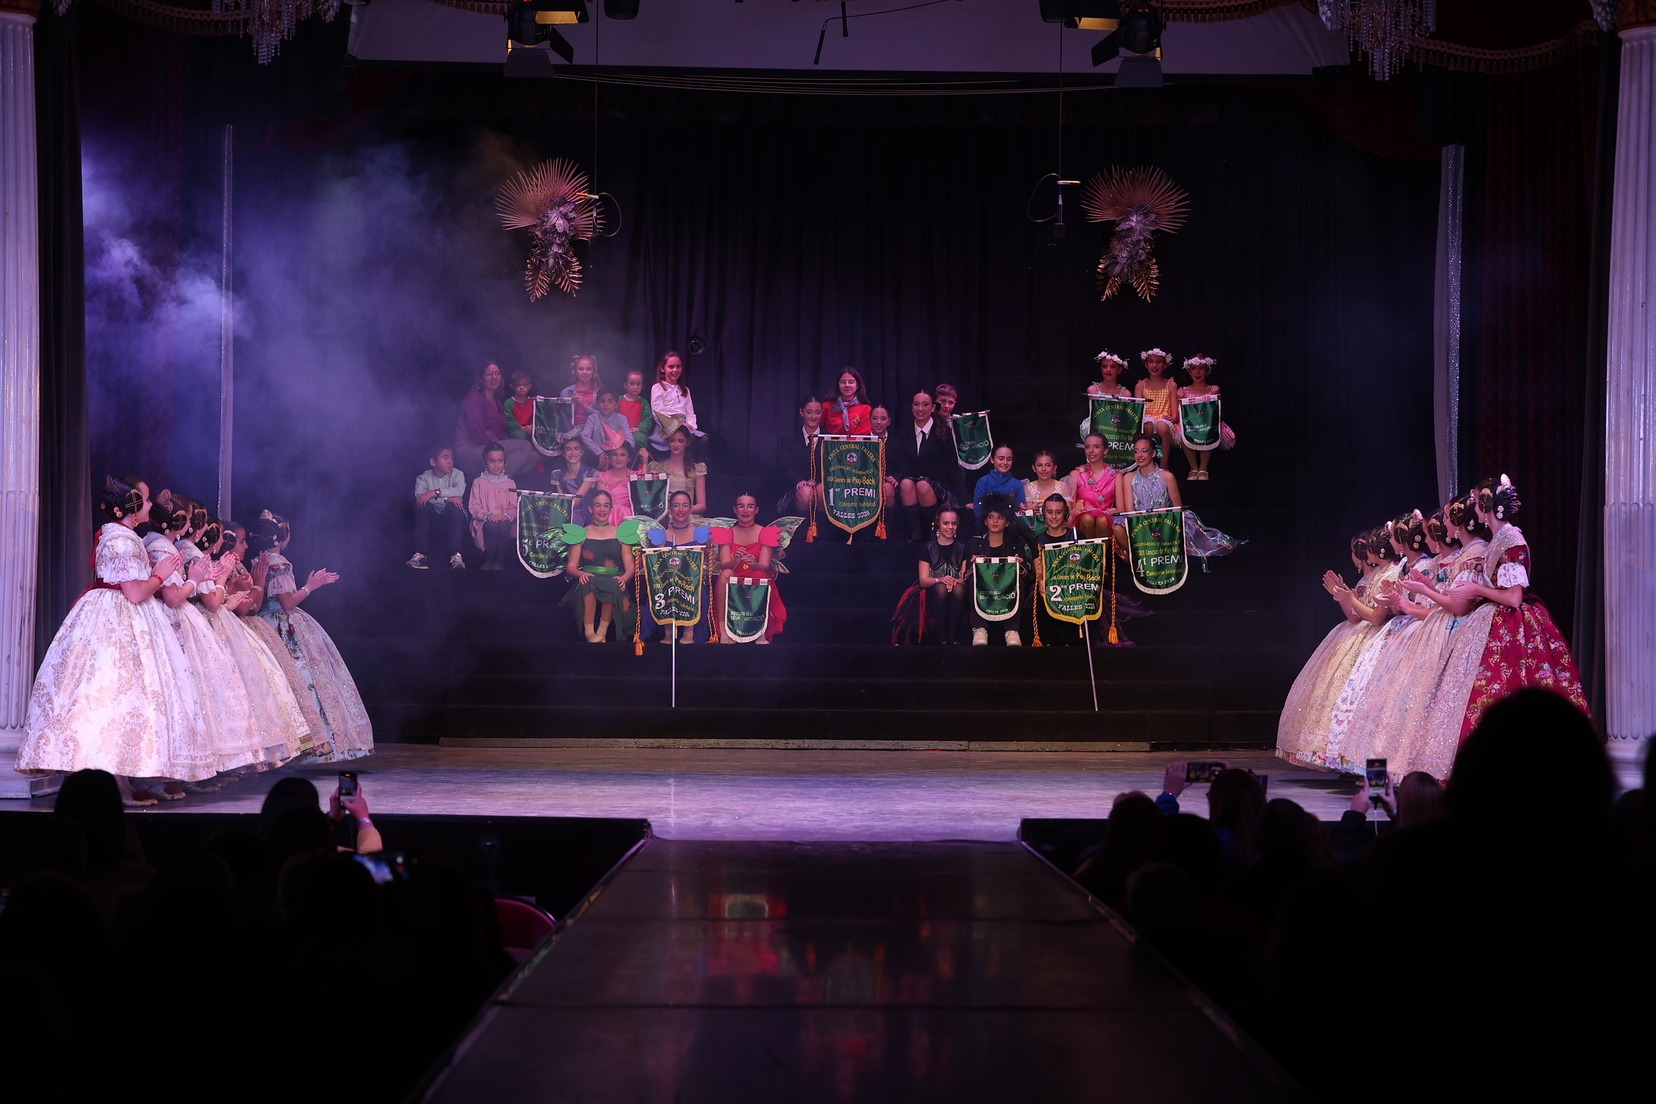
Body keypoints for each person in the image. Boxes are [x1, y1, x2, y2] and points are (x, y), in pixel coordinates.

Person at [16, 478, 211, 805]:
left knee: (132, 696)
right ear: (131, 506)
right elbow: (134, 593)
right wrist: (160, 575)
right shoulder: (120, 540)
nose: (150, 505)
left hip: (123, 614)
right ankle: (115, 780)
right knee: (117, 693)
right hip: (117, 617)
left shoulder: (124, 536)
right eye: (145, 500)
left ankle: (132, 774)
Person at [250, 513, 374, 762]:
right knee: (302, 679)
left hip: (262, 622)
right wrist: (310, 586)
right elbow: (287, 603)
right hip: (282, 625)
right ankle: (311, 743)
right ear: (282, 538)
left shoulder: (257, 559)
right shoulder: (279, 563)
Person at [1113, 433, 1242, 566]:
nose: (1139, 455)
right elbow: (1130, 510)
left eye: (1144, 451)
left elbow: (1177, 508)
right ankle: (1136, 556)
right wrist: (1143, 521)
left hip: (1163, 520)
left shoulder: (1167, 476)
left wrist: (1159, 518)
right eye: (1136, 451)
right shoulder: (1128, 477)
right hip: (1139, 521)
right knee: (1117, 528)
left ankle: (1155, 554)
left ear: (1153, 453)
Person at [561, 489, 637, 643]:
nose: (602, 509)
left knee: (612, 583)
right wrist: (580, 574)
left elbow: (630, 565)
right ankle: (589, 632)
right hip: (589, 579)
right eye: (597, 505)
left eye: (606, 505)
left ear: (611, 508)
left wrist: (624, 578)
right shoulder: (580, 534)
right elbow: (571, 567)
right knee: (589, 583)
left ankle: (602, 632)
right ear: (590, 508)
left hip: (612, 579)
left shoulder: (621, 534)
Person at [712, 493, 787, 643]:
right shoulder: (726, 533)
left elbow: (764, 566)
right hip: (735, 576)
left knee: (759, 574)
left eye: (750, 506)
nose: (745, 510)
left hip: (756, 575)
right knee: (725, 573)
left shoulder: (766, 532)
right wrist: (736, 560)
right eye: (741, 506)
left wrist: (753, 563)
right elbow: (724, 564)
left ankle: (761, 632)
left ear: (756, 510)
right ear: (735, 509)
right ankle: (724, 632)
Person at [887, 390, 959, 542]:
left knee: (922, 485)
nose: (920, 409)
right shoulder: (904, 430)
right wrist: (897, 477)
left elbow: (951, 465)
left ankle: (934, 530)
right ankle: (916, 532)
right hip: (911, 479)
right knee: (906, 484)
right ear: (912, 407)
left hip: (937, 482)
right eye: (916, 404)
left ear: (933, 408)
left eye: (925, 405)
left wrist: (964, 498)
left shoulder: (943, 431)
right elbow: (902, 462)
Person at [644, 490, 713, 644]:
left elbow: (708, 562)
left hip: (693, 583)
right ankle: (668, 632)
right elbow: (657, 566)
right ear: (669, 509)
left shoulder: (699, 534)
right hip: (667, 582)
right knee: (665, 586)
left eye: (685, 505)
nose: (681, 510)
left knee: (693, 588)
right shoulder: (662, 535)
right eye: (676, 505)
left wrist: (704, 547)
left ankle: (689, 632)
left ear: (690, 509)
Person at [893, 504, 967, 645]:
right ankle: (941, 635)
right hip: (933, 592)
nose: (950, 527)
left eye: (954, 523)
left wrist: (952, 581)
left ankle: (952, 635)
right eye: (946, 523)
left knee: (959, 588)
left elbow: (964, 579)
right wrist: (941, 579)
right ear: (938, 523)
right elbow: (923, 580)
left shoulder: (963, 548)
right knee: (941, 588)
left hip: (957, 591)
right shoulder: (927, 548)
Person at [963, 495, 1028, 646]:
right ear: (985, 521)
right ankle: (979, 629)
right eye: (991, 517)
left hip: (1007, 588)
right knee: (974, 581)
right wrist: (973, 567)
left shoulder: (1016, 544)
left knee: (1018, 581)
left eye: (1000, 517)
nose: (995, 521)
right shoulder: (975, 544)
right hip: (984, 589)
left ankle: (1012, 630)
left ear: (1007, 522)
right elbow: (965, 575)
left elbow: (1026, 572)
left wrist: (1019, 566)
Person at [455, 362, 538, 480]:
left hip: (490, 447)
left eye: (497, 373)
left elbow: (501, 433)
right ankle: (496, 483)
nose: (494, 377)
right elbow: (477, 433)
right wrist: (500, 445)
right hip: (471, 449)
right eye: (489, 374)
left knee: (533, 457)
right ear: (481, 378)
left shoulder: (498, 403)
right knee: (524, 446)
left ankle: (491, 479)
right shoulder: (474, 399)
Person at [1175, 355, 1235, 481]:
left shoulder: (1213, 389)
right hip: (1191, 425)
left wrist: (1216, 395)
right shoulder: (1184, 391)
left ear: (1207, 371)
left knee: (1207, 430)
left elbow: (1217, 413)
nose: (1197, 372)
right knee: (1183, 430)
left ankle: (1203, 467)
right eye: (1194, 368)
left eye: (1201, 368)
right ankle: (1193, 468)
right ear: (1189, 371)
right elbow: (1181, 414)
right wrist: (1180, 398)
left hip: (1208, 424)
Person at [408, 445, 467, 570]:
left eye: (451, 457)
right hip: (433, 516)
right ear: (433, 462)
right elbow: (421, 497)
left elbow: (458, 491)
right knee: (422, 506)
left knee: (454, 507)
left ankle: (456, 555)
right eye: (445, 458)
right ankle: (421, 555)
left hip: (453, 515)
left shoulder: (458, 474)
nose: (450, 461)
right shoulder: (423, 478)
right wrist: (447, 498)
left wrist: (434, 493)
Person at [469, 442, 519, 571]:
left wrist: (505, 516)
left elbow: (514, 506)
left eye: (499, 461)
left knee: (502, 526)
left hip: (504, 519)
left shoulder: (510, 483)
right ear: (485, 462)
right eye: (492, 461)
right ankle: (489, 559)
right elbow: (474, 505)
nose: (496, 465)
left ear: (504, 463)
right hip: (484, 519)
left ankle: (499, 561)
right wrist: (488, 515)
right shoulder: (478, 482)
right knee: (491, 525)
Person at [774, 395, 824, 515]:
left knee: (822, 491)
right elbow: (785, 467)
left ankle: (822, 526)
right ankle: (803, 526)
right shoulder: (788, 440)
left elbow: (834, 468)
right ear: (802, 413)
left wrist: (819, 482)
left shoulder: (830, 439)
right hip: (796, 486)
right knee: (807, 493)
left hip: (821, 484)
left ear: (822, 413)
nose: (813, 416)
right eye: (809, 412)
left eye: (817, 412)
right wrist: (799, 481)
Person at [647, 425, 709, 517]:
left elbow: (702, 505)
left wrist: (682, 511)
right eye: (672, 440)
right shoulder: (657, 467)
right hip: (664, 517)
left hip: (688, 517)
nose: (676, 445)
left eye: (680, 441)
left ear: (687, 442)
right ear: (667, 442)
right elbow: (650, 498)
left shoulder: (697, 469)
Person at [649, 350, 704, 449]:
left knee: (701, 438)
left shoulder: (685, 390)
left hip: (684, 426)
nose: (675, 370)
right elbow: (658, 413)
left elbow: (690, 413)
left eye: (678, 366)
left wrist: (691, 425)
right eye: (671, 367)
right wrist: (678, 425)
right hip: (666, 426)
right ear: (662, 368)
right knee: (680, 439)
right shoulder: (658, 388)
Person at [1069, 433, 1117, 541]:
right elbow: (1071, 508)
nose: (1091, 451)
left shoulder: (1115, 475)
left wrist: (1110, 512)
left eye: (1096, 447)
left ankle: (1103, 551)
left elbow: (1121, 509)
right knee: (1087, 518)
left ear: (1105, 450)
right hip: (1083, 519)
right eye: (1087, 447)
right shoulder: (1076, 474)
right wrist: (1081, 509)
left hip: (1106, 520)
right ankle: (1087, 551)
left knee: (1102, 520)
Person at [1135, 348, 1179, 463]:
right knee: (1148, 424)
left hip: (1164, 423)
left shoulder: (1171, 385)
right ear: (1146, 364)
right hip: (1147, 421)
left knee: (1161, 425)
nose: (1154, 365)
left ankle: (1164, 464)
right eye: (1151, 361)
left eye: (1159, 362)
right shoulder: (1140, 386)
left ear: (1165, 365)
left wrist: (1172, 418)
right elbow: (1138, 413)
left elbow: (1175, 416)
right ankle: (1148, 463)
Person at [548, 437, 598, 523]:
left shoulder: (590, 473)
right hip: (564, 514)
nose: (572, 453)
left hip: (586, 517)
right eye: (568, 449)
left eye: (576, 448)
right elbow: (561, 499)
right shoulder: (557, 474)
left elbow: (577, 500)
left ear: (582, 452)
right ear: (563, 453)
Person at [971, 444, 1026, 524]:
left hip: (1010, 527)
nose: (1005, 462)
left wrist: (1005, 523)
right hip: (986, 528)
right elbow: (978, 511)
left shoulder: (1017, 484)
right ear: (992, 459)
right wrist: (992, 523)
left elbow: (1020, 511)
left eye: (1009, 459)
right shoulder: (983, 482)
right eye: (1001, 459)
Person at [579, 388, 633, 462]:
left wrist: (615, 453)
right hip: (597, 456)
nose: (606, 404)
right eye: (602, 401)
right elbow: (585, 436)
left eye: (610, 401)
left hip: (617, 457)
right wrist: (599, 452)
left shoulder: (621, 419)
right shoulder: (592, 418)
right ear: (597, 404)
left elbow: (630, 440)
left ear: (616, 405)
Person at [594, 431, 638, 519]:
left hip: (632, 519)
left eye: (622, 455)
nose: (618, 458)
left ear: (629, 458)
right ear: (609, 457)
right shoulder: (602, 477)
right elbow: (602, 502)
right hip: (608, 518)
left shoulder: (636, 476)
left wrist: (645, 463)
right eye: (614, 455)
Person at [618, 368, 655, 464]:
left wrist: (639, 428)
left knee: (639, 439)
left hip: (636, 432)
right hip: (620, 431)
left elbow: (647, 419)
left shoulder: (644, 402)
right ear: (625, 385)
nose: (635, 387)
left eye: (638, 384)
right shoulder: (619, 400)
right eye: (632, 383)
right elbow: (613, 416)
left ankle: (639, 462)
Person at [822, 367, 872, 435]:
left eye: (851, 382)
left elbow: (863, 436)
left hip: (857, 442)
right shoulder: (827, 406)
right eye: (843, 382)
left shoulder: (865, 409)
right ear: (838, 385)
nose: (847, 385)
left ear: (857, 385)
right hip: (830, 442)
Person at [560, 353, 602, 427]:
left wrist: (585, 406)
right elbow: (560, 417)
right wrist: (570, 405)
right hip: (572, 430)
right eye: (581, 369)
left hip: (594, 430)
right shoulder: (566, 392)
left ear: (593, 371)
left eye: (588, 369)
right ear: (576, 371)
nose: (585, 372)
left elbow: (605, 417)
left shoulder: (600, 392)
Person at [503, 370, 535, 441]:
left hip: (531, 429)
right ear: (512, 386)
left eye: (525, 385)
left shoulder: (533, 401)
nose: (521, 387)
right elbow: (508, 420)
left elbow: (537, 417)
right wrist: (520, 427)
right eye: (518, 385)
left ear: (529, 386)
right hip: (515, 430)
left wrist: (532, 426)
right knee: (520, 436)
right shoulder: (509, 402)